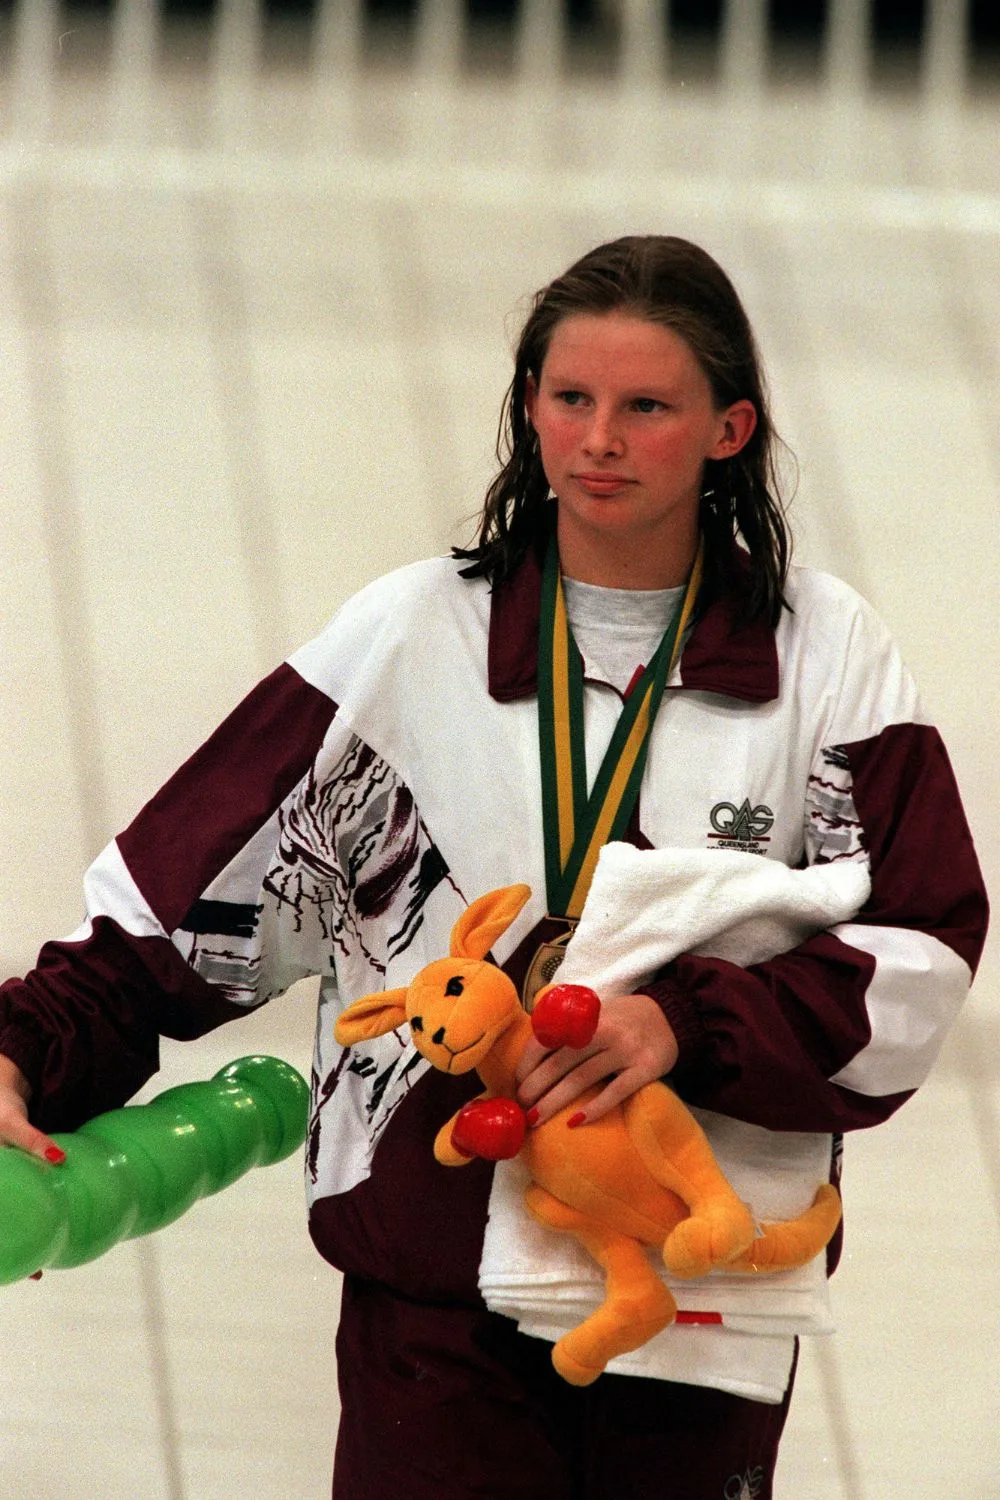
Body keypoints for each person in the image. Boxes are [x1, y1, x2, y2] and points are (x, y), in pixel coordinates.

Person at [0, 236, 988, 1499]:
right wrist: (22, 1049)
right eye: (570, 398)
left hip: (696, 1289)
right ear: (528, 408)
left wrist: (685, 1026)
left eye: (647, 407)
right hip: (436, 1293)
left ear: (729, 429)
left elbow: (919, 956)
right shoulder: (411, 639)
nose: (599, 440)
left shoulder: (825, 655)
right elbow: (192, 904)